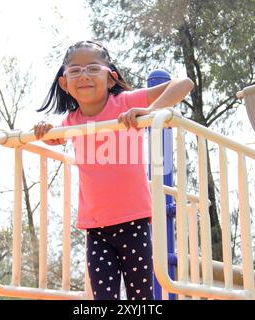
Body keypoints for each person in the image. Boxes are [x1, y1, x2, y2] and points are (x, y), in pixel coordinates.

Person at [34, 40, 194, 300]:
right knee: (103, 298)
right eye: (75, 70)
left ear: (111, 78)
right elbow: (52, 136)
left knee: (140, 296)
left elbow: (184, 84)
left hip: (134, 222)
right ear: (64, 82)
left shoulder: (125, 104)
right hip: (96, 229)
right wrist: (42, 128)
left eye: (93, 68)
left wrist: (150, 111)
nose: (84, 75)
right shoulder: (71, 121)